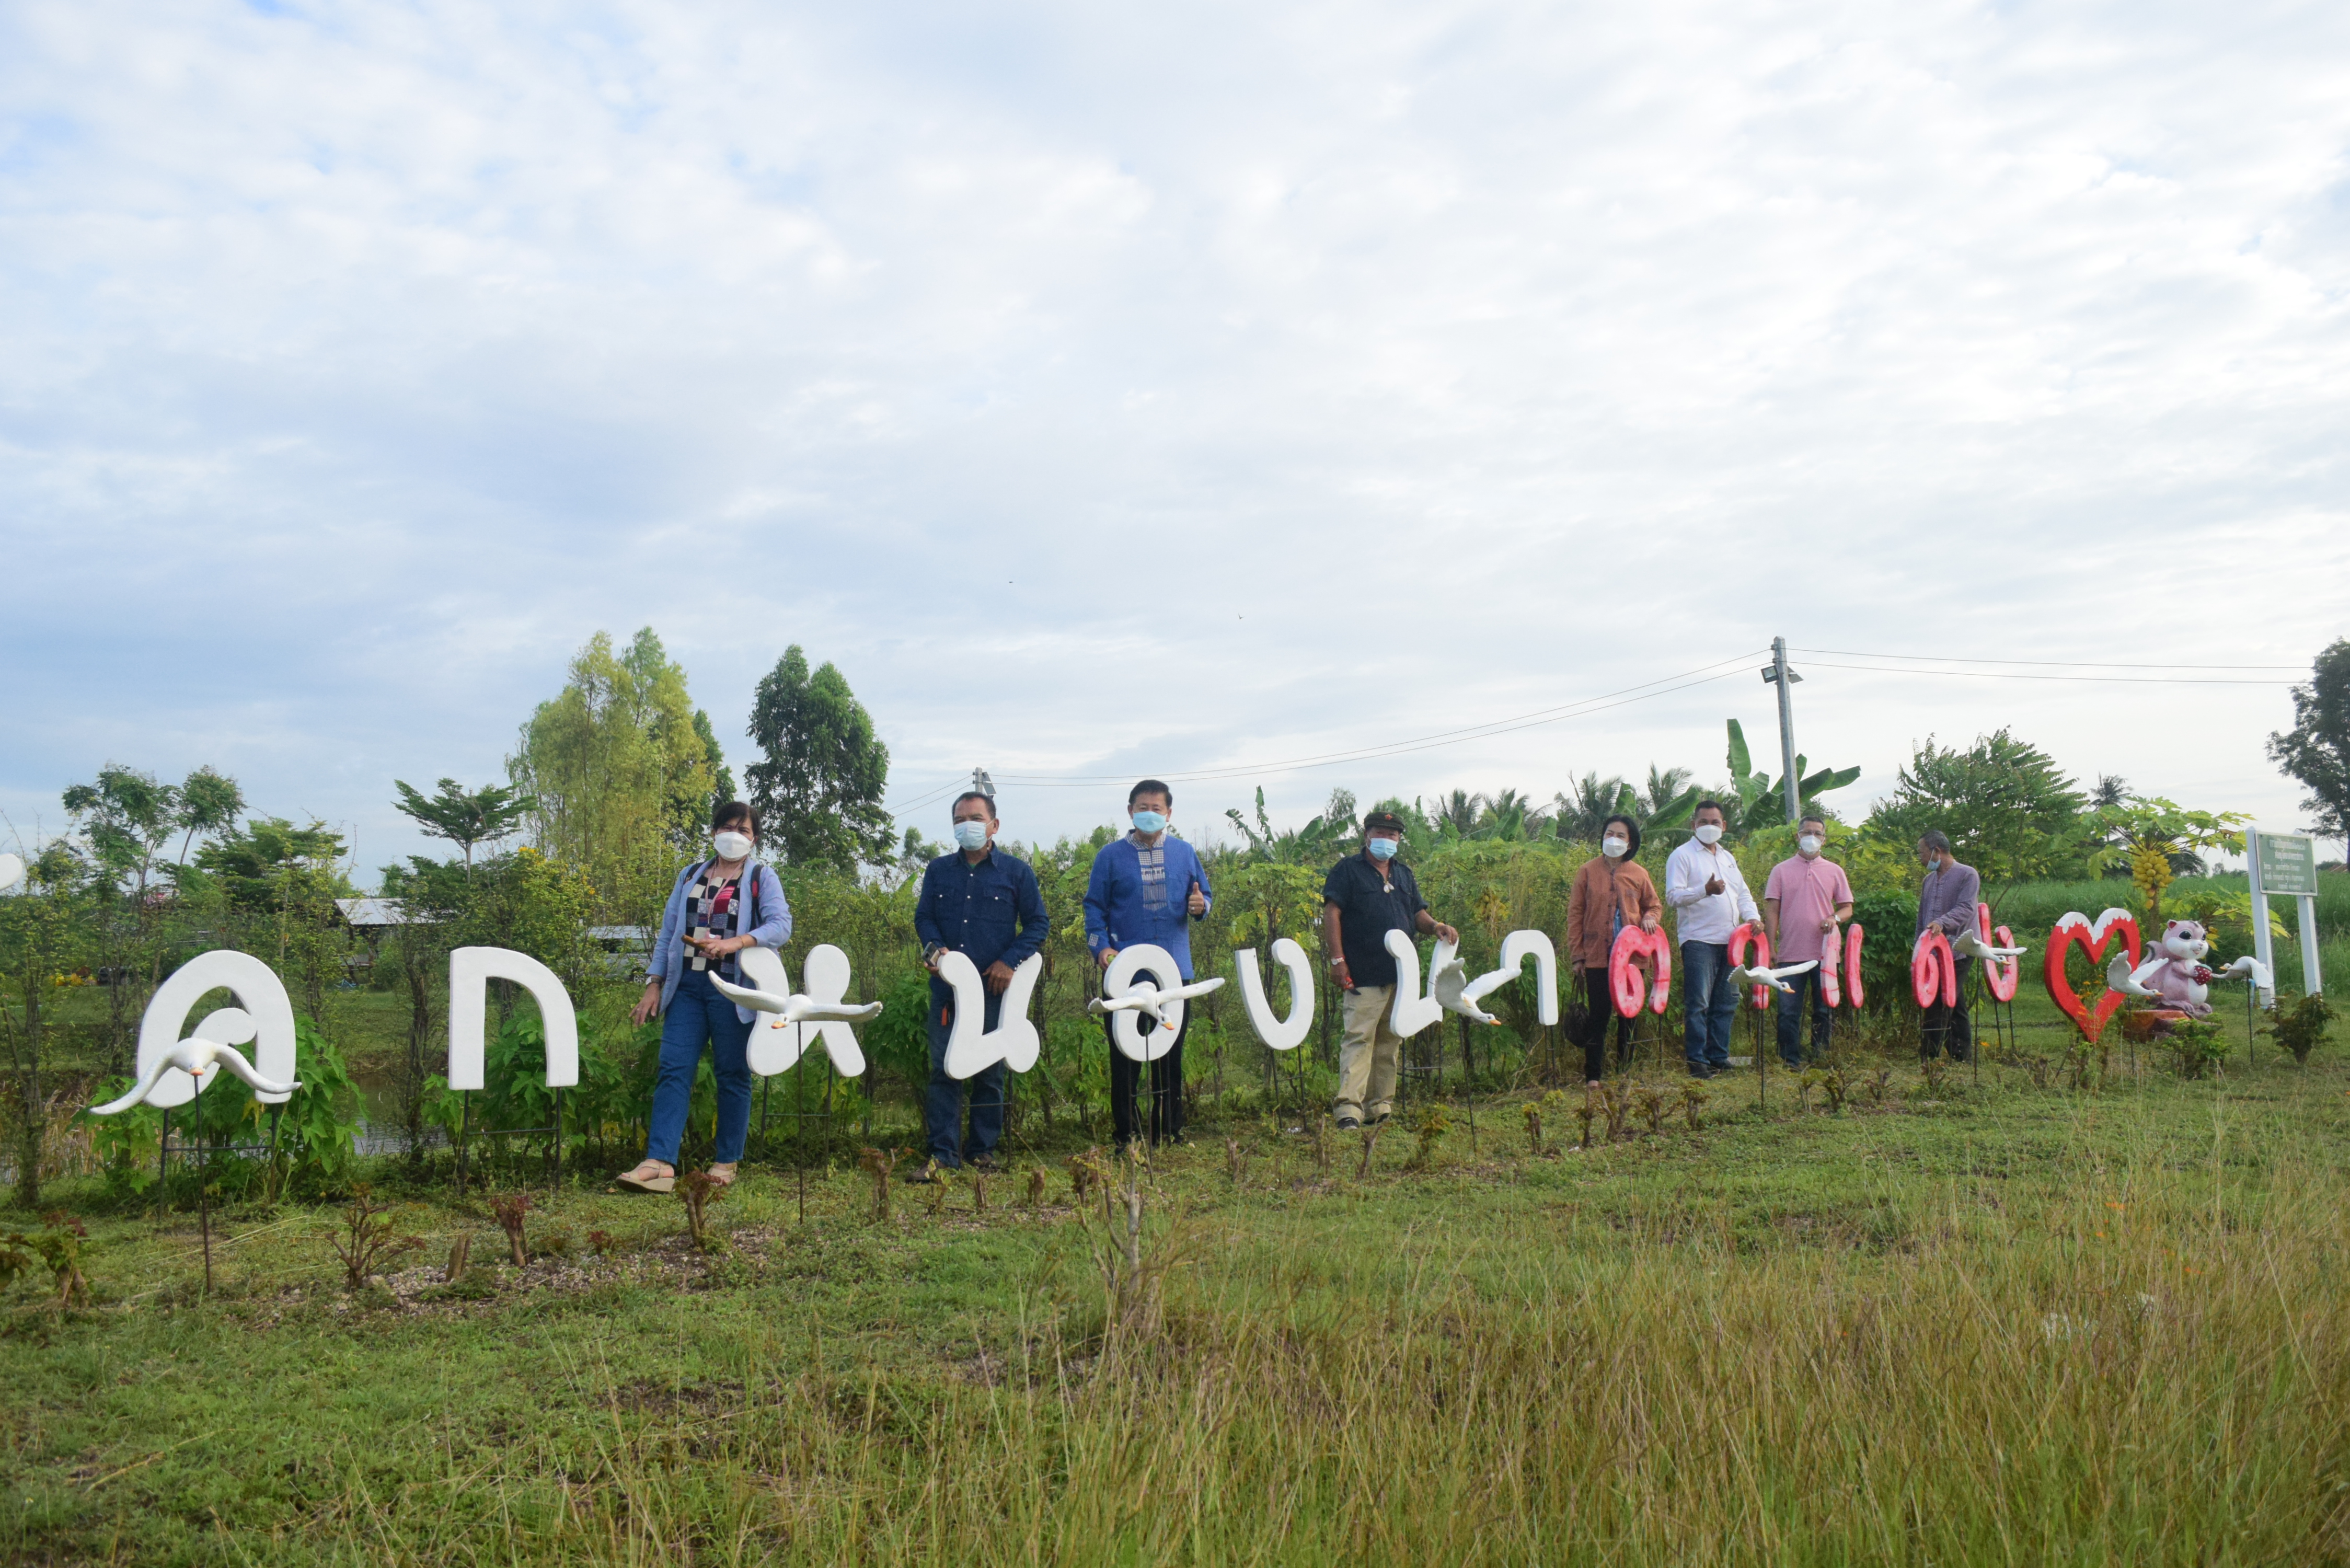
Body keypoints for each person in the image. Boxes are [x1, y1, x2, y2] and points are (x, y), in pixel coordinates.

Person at [616, 802, 792, 1194]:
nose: (734, 835)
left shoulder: (761, 877)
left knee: (733, 1073)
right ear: (714, 833)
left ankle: (726, 1161)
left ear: (754, 839)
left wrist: (736, 943)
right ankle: (659, 1163)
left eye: (743, 830)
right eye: (727, 827)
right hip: (688, 988)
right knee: (673, 1068)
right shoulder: (690, 875)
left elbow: (781, 926)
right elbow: (668, 933)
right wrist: (654, 982)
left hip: (734, 989)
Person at [912, 791, 1048, 1175]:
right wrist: (936, 951)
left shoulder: (1016, 873)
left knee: (990, 1071)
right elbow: (924, 918)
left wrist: (1009, 961)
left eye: (974, 818)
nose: (966, 825)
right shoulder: (939, 870)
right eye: (959, 819)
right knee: (944, 1069)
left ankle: (982, 1152)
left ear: (994, 825)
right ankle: (942, 1155)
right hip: (948, 990)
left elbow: (1038, 923)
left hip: (994, 990)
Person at [1084, 778, 1213, 1148]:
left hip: (1175, 972)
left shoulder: (1185, 853)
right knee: (1125, 1056)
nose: (1150, 814)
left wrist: (1201, 906)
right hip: (1126, 972)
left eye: (1157, 809)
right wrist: (1101, 949)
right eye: (1143, 808)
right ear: (1130, 811)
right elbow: (1093, 909)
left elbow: (1204, 897)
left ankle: (1169, 1130)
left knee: (1170, 1054)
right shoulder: (1110, 856)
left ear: (1169, 813)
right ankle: (1127, 1134)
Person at [1321, 811, 1460, 1130]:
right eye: (1381, 833)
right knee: (1359, 1038)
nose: (1387, 839)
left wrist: (1436, 926)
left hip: (1400, 975)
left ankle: (1379, 1107)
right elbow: (1332, 913)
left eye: (1393, 835)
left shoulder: (1404, 874)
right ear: (1367, 835)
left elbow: (1417, 913)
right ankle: (1349, 1110)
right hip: (1362, 972)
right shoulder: (1347, 871)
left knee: (1390, 1041)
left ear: (1399, 839)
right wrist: (1337, 961)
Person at [1564, 813, 1662, 1085]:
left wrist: (1650, 918)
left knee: (1628, 1016)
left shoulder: (1639, 874)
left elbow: (1654, 905)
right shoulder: (1587, 871)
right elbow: (1575, 914)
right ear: (1602, 837)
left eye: (1620, 836)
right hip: (1597, 956)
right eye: (1610, 833)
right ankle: (1593, 1076)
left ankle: (1625, 1072)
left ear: (1630, 843)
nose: (1614, 839)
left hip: (1632, 960)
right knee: (1599, 1015)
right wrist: (1578, 955)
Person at [1664, 799, 1759, 1078]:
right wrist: (1704, 890)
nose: (1709, 826)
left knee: (1726, 1002)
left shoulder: (1727, 857)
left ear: (1724, 826)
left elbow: (1743, 894)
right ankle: (1697, 1062)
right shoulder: (1682, 856)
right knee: (1699, 1004)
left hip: (1731, 941)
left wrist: (1753, 918)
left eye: (1715, 822)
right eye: (1703, 822)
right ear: (1693, 825)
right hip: (1699, 941)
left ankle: (1718, 1057)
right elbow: (1673, 896)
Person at [1762, 813, 1854, 1069]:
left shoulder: (1835, 871)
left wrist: (1834, 918)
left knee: (1824, 1009)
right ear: (1798, 836)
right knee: (1788, 1010)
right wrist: (1770, 947)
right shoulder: (1781, 870)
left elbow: (1847, 908)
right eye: (1807, 833)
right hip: (1790, 953)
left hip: (1825, 954)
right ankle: (1789, 1060)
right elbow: (1772, 910)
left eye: (1817, 833)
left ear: (1824, 839)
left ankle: (1820, 1058)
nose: (1812, 838)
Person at [1915, 829, 1982, 1062]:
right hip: (1933, 954)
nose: (1921, 858)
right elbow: (1922, 917)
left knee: (1939, 999)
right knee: (1956, 1001)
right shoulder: (1928, 881)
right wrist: (1918, 949)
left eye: (1922, 852)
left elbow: (1966, 909)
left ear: (1937, 851)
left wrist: (1942, 923)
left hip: (1960, 950)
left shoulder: (1967, 875)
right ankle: (1961, 1055)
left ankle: (1929, 1056)